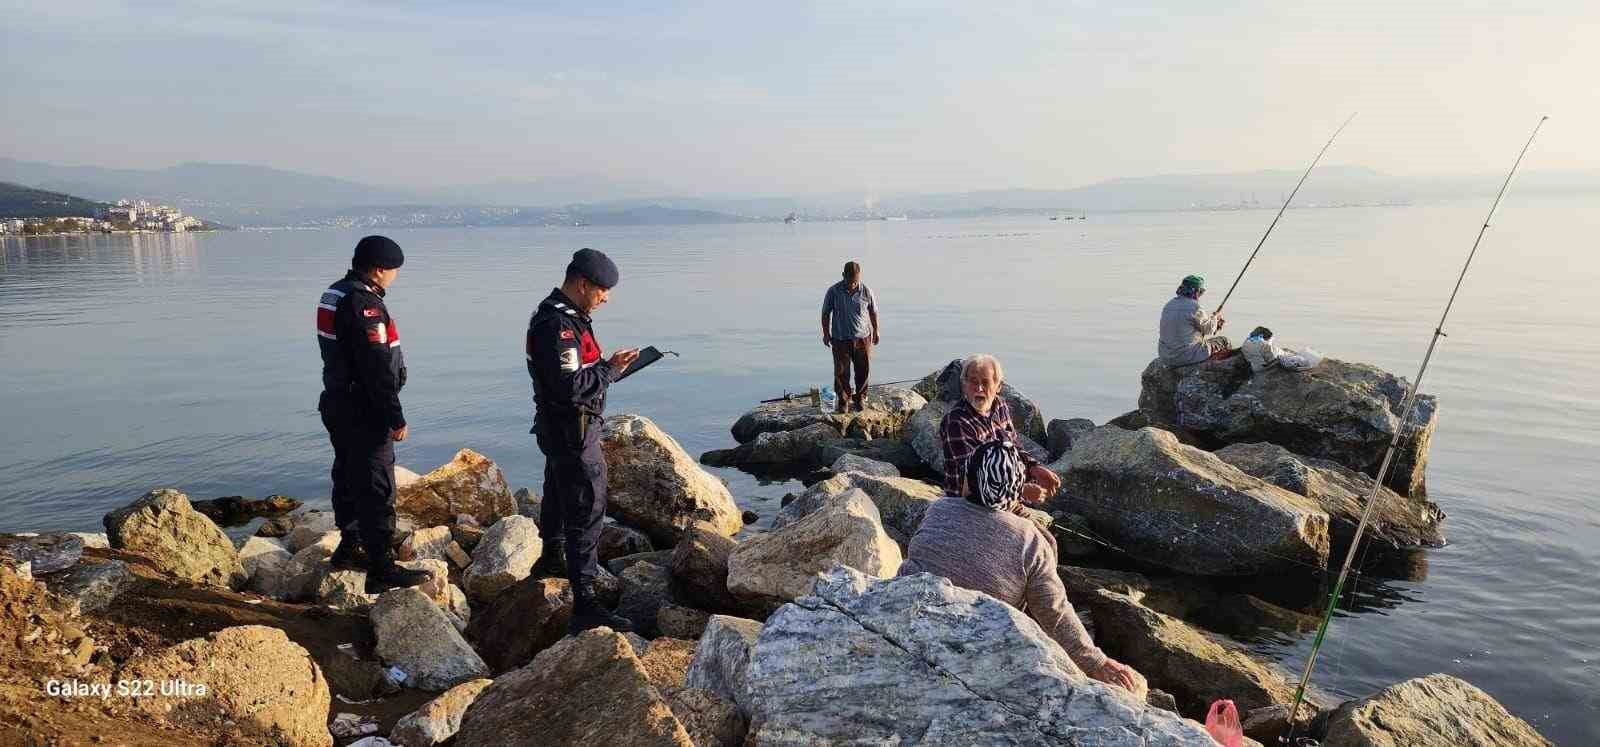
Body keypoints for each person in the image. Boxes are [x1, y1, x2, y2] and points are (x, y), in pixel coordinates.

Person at [900, 440, 1147, 698]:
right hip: (973, 645)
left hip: (909, 617)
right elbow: (1053, 611)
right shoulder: (1030, 540)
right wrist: (1097, 662)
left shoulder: (938, 509)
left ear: (969, 479)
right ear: (1015, 488)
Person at [525, 248, 641, 633]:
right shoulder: (557, 325)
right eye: (603, 290)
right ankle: (585, 601)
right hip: (573, 430)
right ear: (582, 284)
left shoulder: (569, 318)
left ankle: (551, 557)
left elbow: (580, 373)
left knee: (558, 494)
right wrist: (608, 370)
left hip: (565, 428)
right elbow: (570, 387)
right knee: (587, 507)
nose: (606, 297)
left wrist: (611, 368)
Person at [316, 235, 433, 594]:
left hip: (338, 402)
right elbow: (377, 369)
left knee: (348, 475)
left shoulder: (334, 293)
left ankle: (350, 546)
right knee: (377, 485)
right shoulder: (363, 303)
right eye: (394, 272)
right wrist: (395, 417)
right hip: (364, 408)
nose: (395, 278)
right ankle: (382, 566)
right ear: (379, 270)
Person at [938, 354, 1060, 505]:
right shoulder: (956, 422)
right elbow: (974, 476)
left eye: (985, 382)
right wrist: (1021, 490)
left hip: (1005, 499)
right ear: (964, 385)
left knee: (1039, 528)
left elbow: (1013, 447)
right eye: (973, 382)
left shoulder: (999, 406)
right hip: (970, 504)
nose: (979, 388)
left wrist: (1034, 468)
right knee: (1028, 528)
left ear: (998, 385)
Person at [819, 261, 880, 413]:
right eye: (849, 280)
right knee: (841, 372)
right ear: (843, 276)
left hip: (863, 338)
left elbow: (873, 312)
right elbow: (826, 313)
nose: (852, 284)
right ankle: (843, 401)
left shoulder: (866, 291)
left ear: (859, 276)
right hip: (840, 338)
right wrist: (826, 334)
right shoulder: (833, 291)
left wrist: (876, 330)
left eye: (855, 281)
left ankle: (860, 398)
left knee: (863, 370)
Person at [1158, 274, 1232, 367]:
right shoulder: (1194, 307)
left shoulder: (1169, 305)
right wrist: (1215, 319)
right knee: (1224, 341)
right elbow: (1208, 329)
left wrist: (1213, 322)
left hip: (1166, 357)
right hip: (1185, 357)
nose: (1200, 295)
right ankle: (1222, 368)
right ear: (1196, 292)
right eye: (1201, 292)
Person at [1241, 326, 1322, 373]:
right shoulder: (1265, 345)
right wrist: (1280, 359)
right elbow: (1270, 361)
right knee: (1285, 358)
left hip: (1253, 366)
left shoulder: (1247, 342)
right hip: (1260, 369)